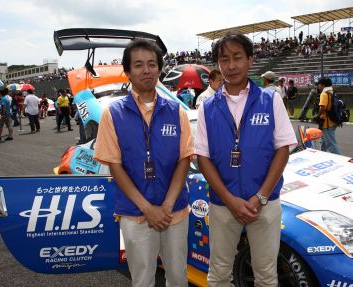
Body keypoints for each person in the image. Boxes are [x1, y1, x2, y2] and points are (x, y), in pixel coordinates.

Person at [195, 31, 297, 287]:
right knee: (218, 274)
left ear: (250, 59)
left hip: (265, 202)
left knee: (266, 275)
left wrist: (260, 196)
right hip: (222, 204)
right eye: (224, 59)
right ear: (218, 64)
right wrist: (230, 200)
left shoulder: (270, 99)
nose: (231, 65)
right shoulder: (207, 106)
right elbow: (203, 158)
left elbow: (283, 149)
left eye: (237, 57)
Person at [94, 39, 193, 287]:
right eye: (138, 65)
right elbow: (115, 166)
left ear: (159, 69)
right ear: (127, 72)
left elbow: (184, 159)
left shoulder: (176, 110)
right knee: (142, 280)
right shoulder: (113, 113)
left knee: (178, 278)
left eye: (151, 64)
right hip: (135, 213)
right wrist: (148, 208)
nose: (146, 70)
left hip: (175, 212)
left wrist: (167, 205)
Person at [317, 77, 340, 154]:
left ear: (323, 85)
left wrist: (317, 116)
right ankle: (323, 155)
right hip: (334, 120)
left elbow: (323, 108)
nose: (318, 86)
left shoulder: (324, 94)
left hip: (327, 122)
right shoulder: (332, 92)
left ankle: (338, 159)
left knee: (331, 144)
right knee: (323, 141)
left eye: (319, 84)